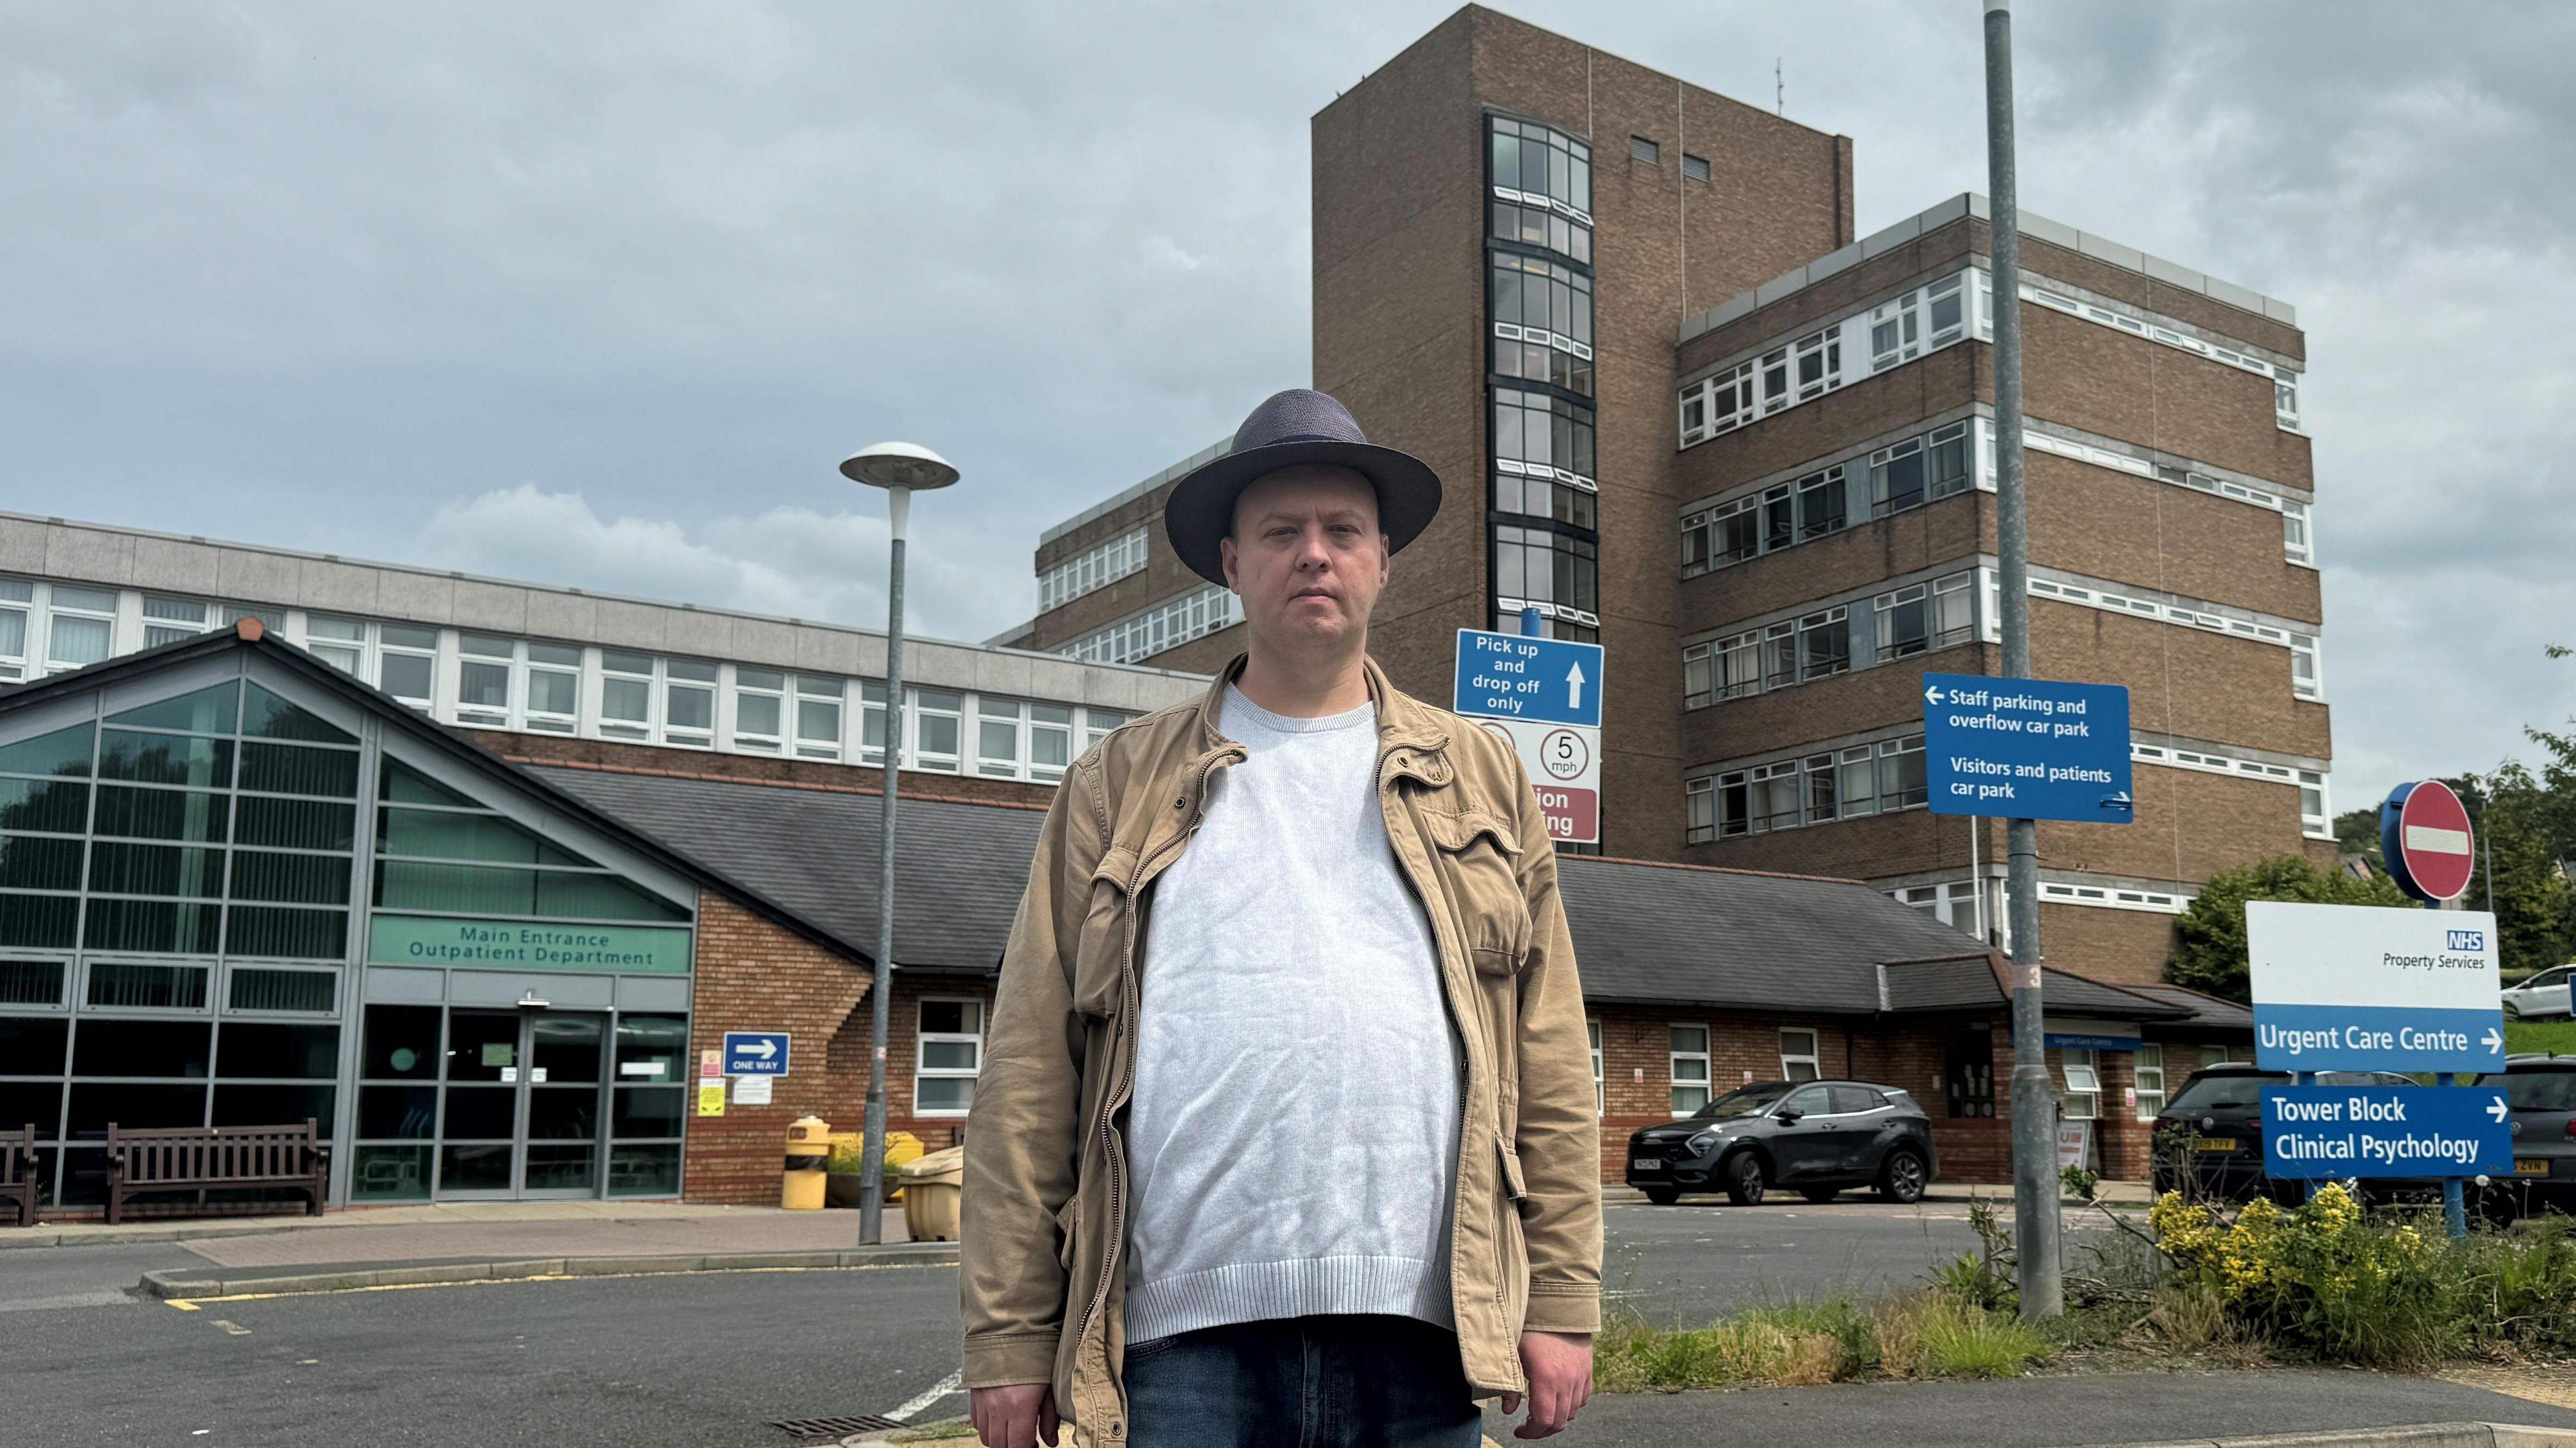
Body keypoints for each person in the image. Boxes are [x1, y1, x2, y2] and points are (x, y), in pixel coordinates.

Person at [960, 389, 1601, 1448]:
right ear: (1231, 563)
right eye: (1282, 532)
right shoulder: (1116, 785)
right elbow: (1031, 1074)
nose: (1315, 554)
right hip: (1177, 1341)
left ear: (1383, 562)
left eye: (1343, 530)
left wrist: (1563, 1302)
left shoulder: (1480, 774)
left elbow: (1549, 1058)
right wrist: (1009, 1340)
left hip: (1422, 1327)